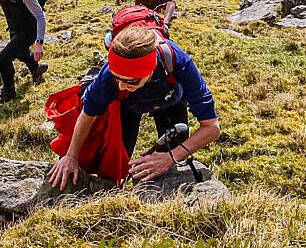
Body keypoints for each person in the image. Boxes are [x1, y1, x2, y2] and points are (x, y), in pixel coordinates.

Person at [48, 25, 220, 189]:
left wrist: (170, 158)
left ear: (151, 70)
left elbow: (211, 128)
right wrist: (71, 157)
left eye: (131, 80)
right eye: (118, 78)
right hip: (129, 104)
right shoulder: (108, 77)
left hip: (170, 98)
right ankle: (114, 187)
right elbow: (87, 115)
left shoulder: (178, 63)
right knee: (118, 159)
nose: (122, 86)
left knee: (174, 158)